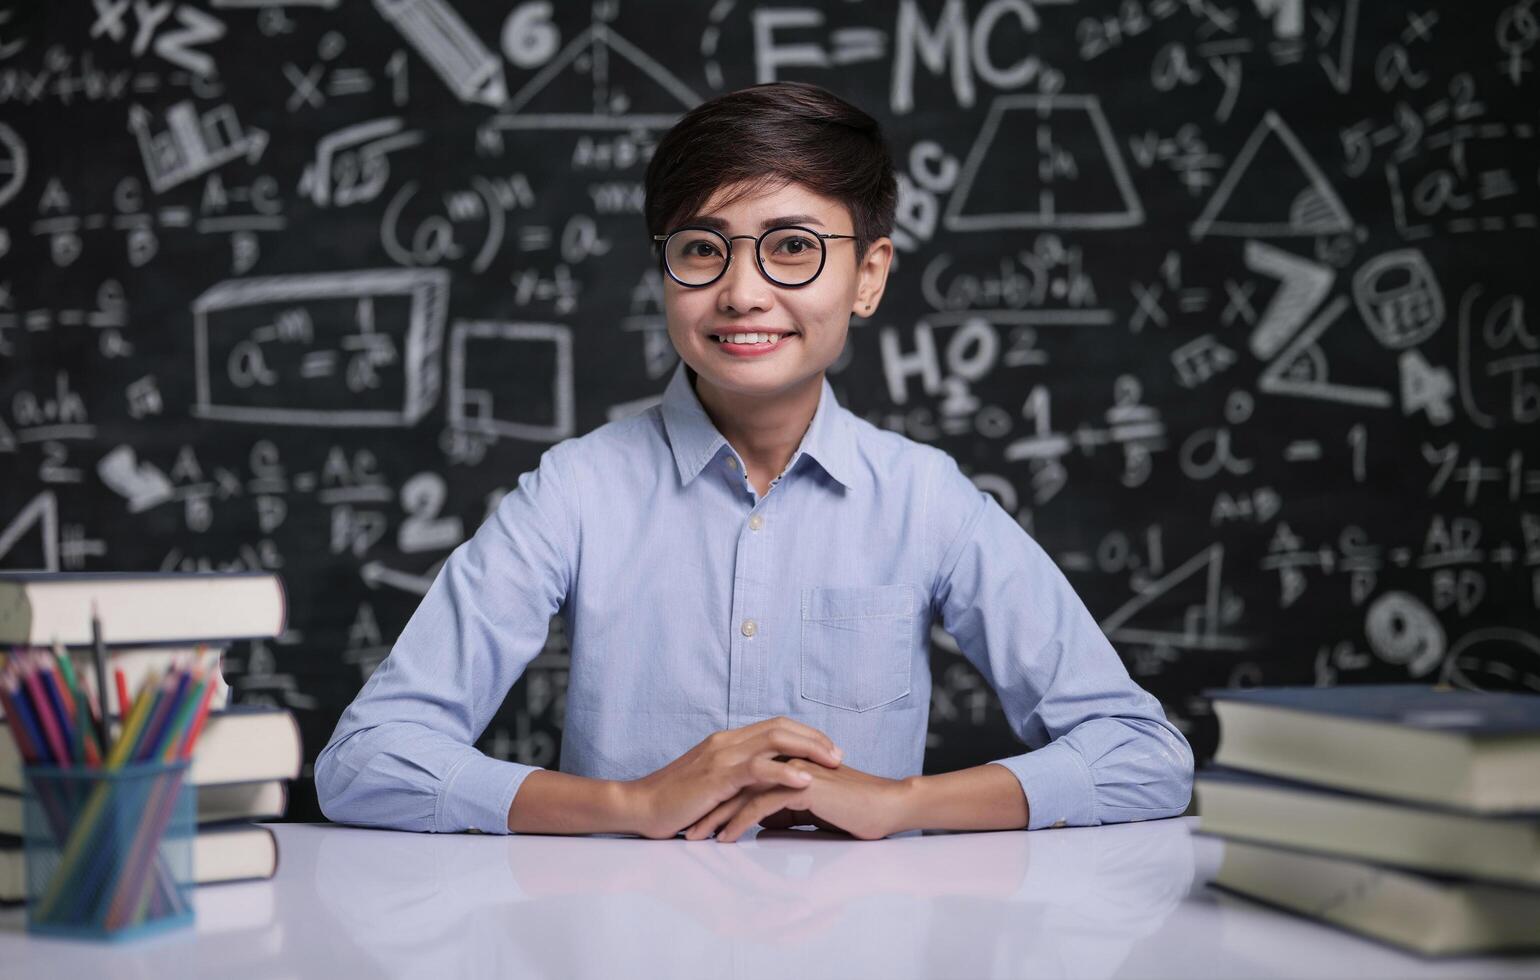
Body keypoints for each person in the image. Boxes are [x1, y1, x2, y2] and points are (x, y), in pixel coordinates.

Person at [315, 81, 1193, 843]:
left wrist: (903, 802)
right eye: (703, 247)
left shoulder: (925, 500)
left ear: (869, 276)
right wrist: (634, 802)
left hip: (858, 942)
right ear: (664, 271)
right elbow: (364, 759)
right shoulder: (575, 492)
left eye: (793, 246)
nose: (741, 291)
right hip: (617, 941)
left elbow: (1144, 757)